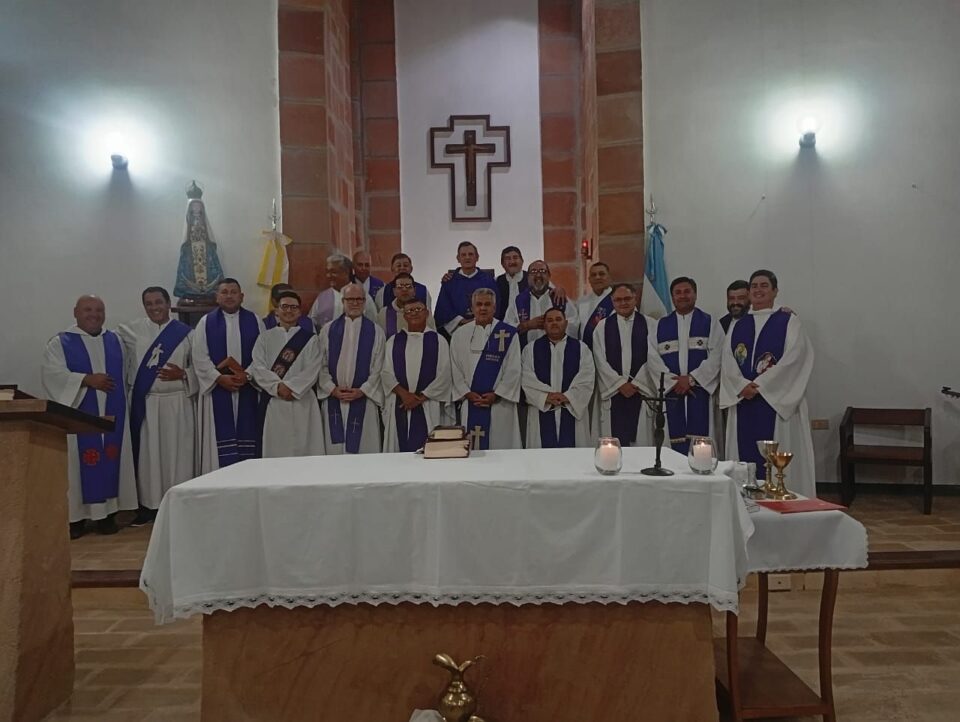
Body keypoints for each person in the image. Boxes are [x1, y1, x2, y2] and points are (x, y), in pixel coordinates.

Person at [41, 295, 137, 538]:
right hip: (79, 416)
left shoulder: (115, 340)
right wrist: (86, 379)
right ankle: (76, 519)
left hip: (113, 414)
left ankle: (107, 516)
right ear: (75, 312)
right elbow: (52, 374)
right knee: (78, 465)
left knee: (111, 459)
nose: (94, 314)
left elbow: (128, 373)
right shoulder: (60, 342)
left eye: (99, 310)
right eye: (87, 310)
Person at [720, 270, 816, 498]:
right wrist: (741, 385)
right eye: (754, 286)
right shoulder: (738, 324)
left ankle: (782, 497)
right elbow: (727, 360)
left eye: (764, 285)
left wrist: (761, 385)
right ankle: (745, 500)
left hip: (775, 402)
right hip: (744, 400)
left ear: (775, 291)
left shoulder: (788, 321)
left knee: (777, 454)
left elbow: (796, 357)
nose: (758, 290)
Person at [117, 287, 196, 526]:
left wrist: (184, 373)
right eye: (149, 304)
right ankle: (149, 506)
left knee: (179, 455)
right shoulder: (130, 331)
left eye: (158, 302)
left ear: (168, 303)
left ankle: (180, 504)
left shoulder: (187, 334)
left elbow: (201, 367)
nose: (154, 308)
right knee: (149, 457)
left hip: (178, 402)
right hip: (148, 403)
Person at [192, 278, 264, 473]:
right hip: (218, 390)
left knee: (249, 438)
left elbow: (262, 355)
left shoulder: (255, 321)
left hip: (248, 388)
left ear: (242, 296)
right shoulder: (205, 323)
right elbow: (199, 356)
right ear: (217, 297)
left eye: (234, 292)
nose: (229, 296)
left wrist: (248, 375)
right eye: (224, 292)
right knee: (219, 445)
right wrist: (218, 378)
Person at [646, 277, 724, 454]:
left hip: (700, 392)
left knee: (703, 443)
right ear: (672, 297)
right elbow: (653, 359)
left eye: (687, 291)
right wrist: (674, 382)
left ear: (695, 294)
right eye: (678, 293)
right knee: (672, 443)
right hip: (672, 393)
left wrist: (692, 379)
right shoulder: (659, 326)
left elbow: (717, 356)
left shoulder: (710, 323)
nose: (682, 296)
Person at [249, 291, 325, 458]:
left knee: (306, 449)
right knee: (276, 448)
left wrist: (292, 387)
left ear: (300, 312)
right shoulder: (264, 338)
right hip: (275, 401)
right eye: (284, 306)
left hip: (303, 400)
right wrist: (277, 387)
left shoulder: (311, 339)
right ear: (276, 310)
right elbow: (258, 367)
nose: (289, 310)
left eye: (293, 307)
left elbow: (313, 368)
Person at [317, 283, 385, 454]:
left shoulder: (376, 331)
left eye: (359, 299)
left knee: (364, 451)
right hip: (334, 399)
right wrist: (332, 389)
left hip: (364, 400)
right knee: (334, 451)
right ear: (343, 301)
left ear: (364, 302)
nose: (355, 303)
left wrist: (363, 391)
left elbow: (379, 367)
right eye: (350, 299)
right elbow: (320, 364)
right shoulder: (328, 330)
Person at [450, 288, 522, 449]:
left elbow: (514, 369)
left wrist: (497, 394)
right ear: (472, 307)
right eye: (479, 304)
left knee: (501, 447)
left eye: (487, 304)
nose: (483, 308)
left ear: (494, 308)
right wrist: (466, 393)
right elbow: (455, 368)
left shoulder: (508, 333)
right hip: (471, 401)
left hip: (500, 404)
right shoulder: (459, 334)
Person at [381, 297, 451, 452]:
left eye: (418, 309)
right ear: (404, 316)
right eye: (409, 311)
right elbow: (386, 373)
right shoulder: (393, 341)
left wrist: (421, 398)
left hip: (428, 404)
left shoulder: (439, 341)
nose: (414, 313)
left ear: (427, 313)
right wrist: (404, 395)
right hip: (400, 403)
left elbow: (445, 375)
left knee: (429, 451)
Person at [592, 283, 657, 447]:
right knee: (613, 442)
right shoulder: (602, 327)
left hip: (640, 391)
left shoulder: (651, 324)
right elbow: (599, 360)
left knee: (641, 439)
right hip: (614, 392)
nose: (623, 303)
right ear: (612, 302)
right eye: (618, 300)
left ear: (635, 298)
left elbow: (654, 358)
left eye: (627, 298)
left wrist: (637, 383)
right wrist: (619, 384)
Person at [521, 308, 595, 448]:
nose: (554, 323)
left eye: (558, 319)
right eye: (549, 320)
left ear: (566, 323)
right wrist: (545, 397)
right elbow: (527, 379)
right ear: (544, 325)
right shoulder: (530, 349)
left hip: (571, 409)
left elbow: (587, 377)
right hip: (542, 409)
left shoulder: (581, 348)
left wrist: (568, 396)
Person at [505, 260, 579, 347]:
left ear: (549, 276)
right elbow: (507, 327)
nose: (538, 275)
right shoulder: (518, 301)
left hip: (556, 350)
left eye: (542, 271)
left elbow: (574, 323)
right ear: (528, 277)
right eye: (533, 271)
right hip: (527, 352)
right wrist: (527, 325)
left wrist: (554, 325)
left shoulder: (559, 298)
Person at [434, 242, 498, 337]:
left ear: (477, 257)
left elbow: (496, 305)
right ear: (458, 258)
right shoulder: (450, 281)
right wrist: (462, 321)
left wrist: (479, 320)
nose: (467, 257)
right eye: (463, 255)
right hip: (457, 331)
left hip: (485, 330)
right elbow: (443, 308)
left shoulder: (488, 281)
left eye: (471, 254)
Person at [173, 187, 225, 301]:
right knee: (188, 269)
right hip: (191, 250)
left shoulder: (204, 222)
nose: (196, 208)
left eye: (198, 205)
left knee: (210, 269)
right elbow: (186, 237)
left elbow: (209, 235)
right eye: (194, 206)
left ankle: (209, 290)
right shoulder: (189, 222)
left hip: (205, 250)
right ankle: (190, 292)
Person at [307, 253, 377, 331]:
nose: (328, 276)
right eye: (327, 272)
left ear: (346, 272)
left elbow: (373, 325)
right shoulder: (322, 298)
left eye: (333, 272)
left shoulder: (362, 296)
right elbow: (311, 324)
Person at [377, 272, 435, 338]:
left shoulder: (423, 312)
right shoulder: (384, 313)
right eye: (400, 286)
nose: (404, 289)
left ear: (414, 291)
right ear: (394, 291)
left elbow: (433, 337)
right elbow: (381, 339)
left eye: (408, 286)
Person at [577, 261, 614, 350]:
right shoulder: (581, 302)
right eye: (593, 275)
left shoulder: (619, 299)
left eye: (601, 274)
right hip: (587, 352)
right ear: (589, 279)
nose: (597, 277)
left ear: (609, 277)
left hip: (611, 350)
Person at [494, 245, 528, 320]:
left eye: (515, 258)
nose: (512, 262)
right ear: (502, 264)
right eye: (508, 259)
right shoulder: (496, 282)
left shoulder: (532, 278)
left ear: (522, 261)